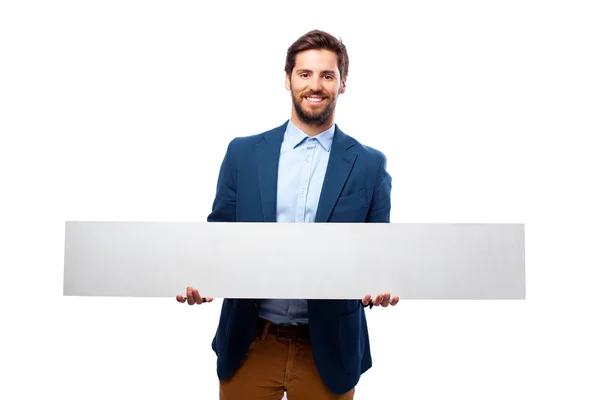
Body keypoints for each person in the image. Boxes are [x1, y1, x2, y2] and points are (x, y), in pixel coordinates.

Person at [176, 30, 399, 399]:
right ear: (288, 79)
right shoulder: (243, 154)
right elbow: (218, 238)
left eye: (328, 75)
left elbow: (380, 253)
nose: (316, 85)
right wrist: (202, 279)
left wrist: (383, 284)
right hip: (250, 343)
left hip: (329, 351)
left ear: (342, 84)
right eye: (305, 73)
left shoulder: (370, 165)